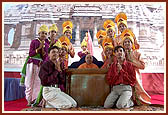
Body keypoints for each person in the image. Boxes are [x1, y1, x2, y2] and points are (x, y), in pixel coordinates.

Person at [120, 29, 151, 105]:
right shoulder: (122, 53)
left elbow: (143, 66)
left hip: (135, 75)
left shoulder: (137, 53)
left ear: (132, 43)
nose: (127, 43)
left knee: (138, 90)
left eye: (129, 42)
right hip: (125, 75)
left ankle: (140, 102)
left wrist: (131, 61)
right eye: (125, 42)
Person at [20, 25, 48, 106]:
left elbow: (45, 57)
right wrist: (39, 48)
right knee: (29, 82)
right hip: (31, 64)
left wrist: (43, 49)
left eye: (46, 34)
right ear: (39, 33)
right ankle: (28, 99)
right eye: (42, 33)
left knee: (37, 82)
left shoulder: (46, 45)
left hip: (40, 65)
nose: (44, 35)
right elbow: (31, 53)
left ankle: (35, 100)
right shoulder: (34, 42)